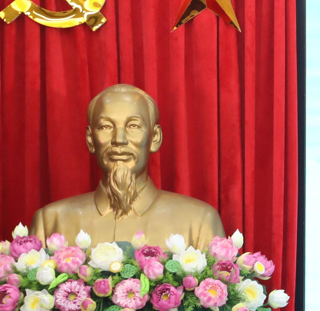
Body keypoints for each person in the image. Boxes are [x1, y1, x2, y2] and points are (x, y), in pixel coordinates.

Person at [31, 83, 225, 248]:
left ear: (155, 138)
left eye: (133, 126)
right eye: (106, 127)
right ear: (90, 139)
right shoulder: (50, 222)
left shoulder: (199, 222)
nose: (119, 139)